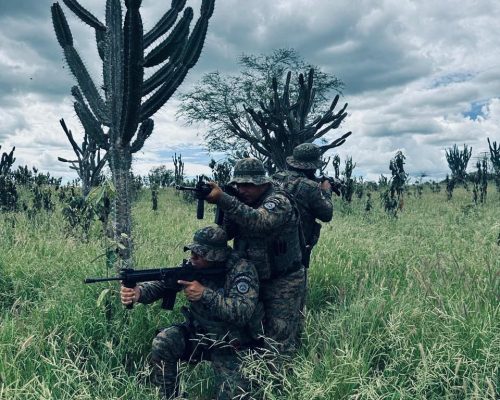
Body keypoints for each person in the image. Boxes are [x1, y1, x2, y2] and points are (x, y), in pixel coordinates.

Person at [120, 226, 262, 400]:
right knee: (164, 342)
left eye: (199, 254)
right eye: (192, 252)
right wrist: (139, 293)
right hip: (200, 336)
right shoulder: (195, 268)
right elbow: (163, 284)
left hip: (232, 344)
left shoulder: (242, 270)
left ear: (215, 256)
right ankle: (170, 396)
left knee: (234, 395)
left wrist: (205, 294)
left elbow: (242, 313)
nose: (192, 257)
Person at [203, 158, 305, 355]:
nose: (243, 190)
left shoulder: (279, 201)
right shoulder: (241, 201)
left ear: (263, 182)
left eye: (249, 185)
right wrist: (226, 206)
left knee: (279, 335)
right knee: (250, 331)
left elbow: (259, 221)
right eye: (239, 185)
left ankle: (279, 381)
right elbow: (227, 233)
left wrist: (225, 199)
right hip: (252, 276)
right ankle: (252, 377)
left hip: (283, 280)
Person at [273, 143, 334, 268]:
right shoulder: (311, 187)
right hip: (296, 246)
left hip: (271, 243)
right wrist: (326, 191)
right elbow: (326, 215)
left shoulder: (276, 178)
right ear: (312, 167)